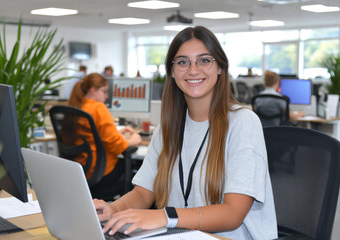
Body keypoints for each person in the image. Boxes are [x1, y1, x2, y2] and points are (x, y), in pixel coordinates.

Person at [94, 26, 277, 239]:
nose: (193, 70)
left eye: (204, 60)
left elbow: (233, 213)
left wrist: (165, 216)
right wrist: (114, 209)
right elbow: (144, 192)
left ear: (220, 67)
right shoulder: (167, 128)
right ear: (172, 72)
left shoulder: (243, 122)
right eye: (182, 62)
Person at [67, 73, 142, 191]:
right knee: (139, 167)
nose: (106, 96)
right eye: (104, 91)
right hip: (102, 173)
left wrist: (118, 133)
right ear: (93, 90)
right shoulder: (98, 108)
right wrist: (134, 140)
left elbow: (93, 136)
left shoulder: (78, 105)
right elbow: (117, 147)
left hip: (82, 171)